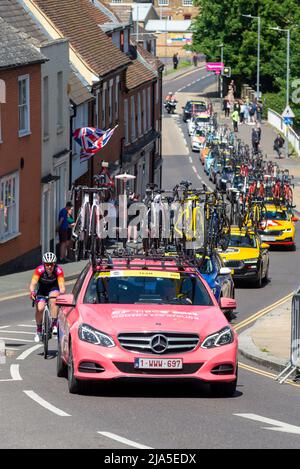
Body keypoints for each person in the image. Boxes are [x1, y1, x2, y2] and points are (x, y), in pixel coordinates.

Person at [29, 252, 65, 343]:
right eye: (47, 264)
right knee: (40, 308)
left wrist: (61, 294)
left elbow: (62, 287)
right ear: (44, 264)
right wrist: (32, 292)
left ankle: (54, 325)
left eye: (51, 264)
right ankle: (39, 331)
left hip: (53, 288)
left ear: (54, 264)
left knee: (54, 300)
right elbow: (33, 284)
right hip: (42, 289)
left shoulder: (58, 270)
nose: (49, 267)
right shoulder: (39, 270)